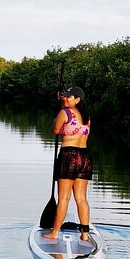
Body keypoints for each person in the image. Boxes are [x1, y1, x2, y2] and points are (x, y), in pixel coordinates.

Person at [43, 86, 92, 241]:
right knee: (81, 198)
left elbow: (55, 130)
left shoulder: (64, 113)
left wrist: (58, 114)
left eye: (69, 97)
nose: (65, 99)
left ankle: (55, 232)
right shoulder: (86, 116)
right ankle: (85, 234)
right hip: (84, 157)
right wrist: (63, 105)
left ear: (77, 100)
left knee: (64, 197)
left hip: (68, 156)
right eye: (64, 96)